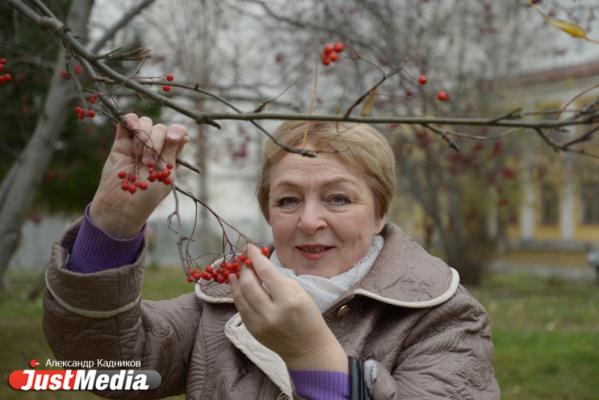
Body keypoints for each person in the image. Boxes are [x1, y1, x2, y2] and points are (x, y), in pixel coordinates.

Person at [43, 114, 500, 399]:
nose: (308, 221)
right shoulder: (224, 303)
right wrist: (111, 225)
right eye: (287, 201)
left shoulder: (444, 320)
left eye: (338, 199)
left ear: (380, 212)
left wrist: (312, 356)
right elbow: (102, 366)